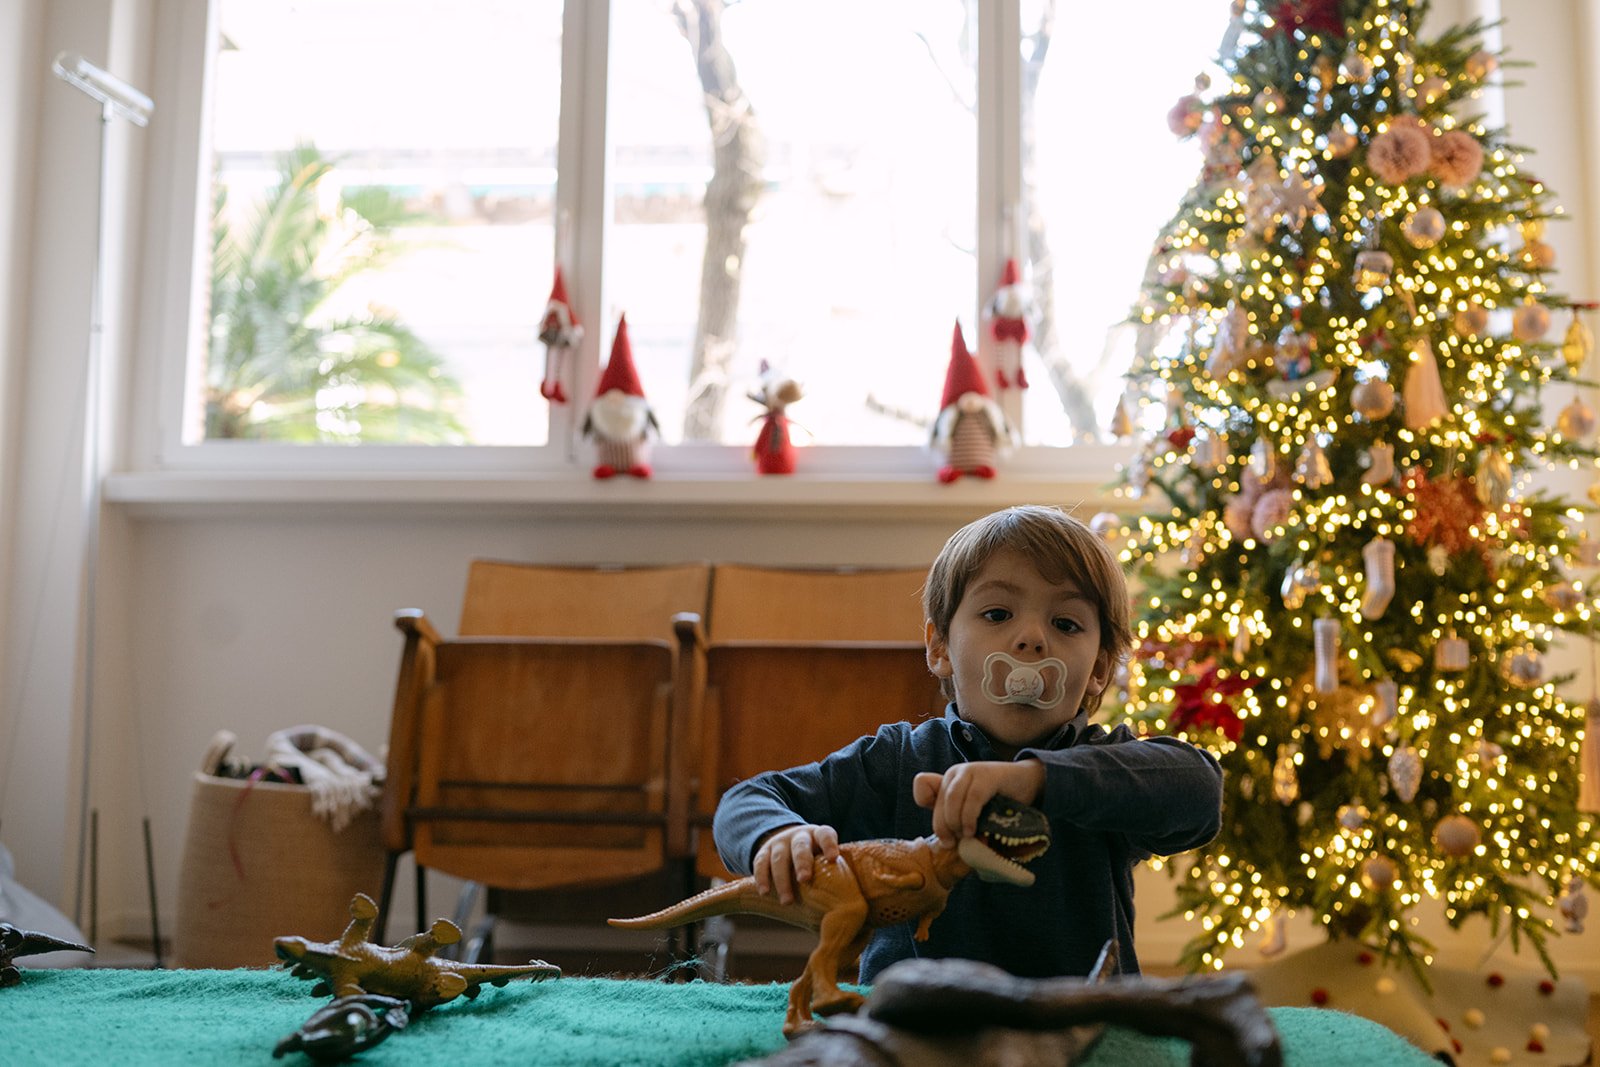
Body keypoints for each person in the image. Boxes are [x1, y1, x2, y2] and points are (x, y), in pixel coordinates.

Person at [711, 504, 1223, 982]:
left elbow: (1200, 789)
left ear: (1099, 670)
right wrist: (774, 837)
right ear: (939, 649)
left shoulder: (1106, 770)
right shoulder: (899, 759)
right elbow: (747, 800)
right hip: (915, 1032)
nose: (1031, 639)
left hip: (1075, 1029)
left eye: (1065, 624)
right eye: (998, 615)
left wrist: (1037, 780)